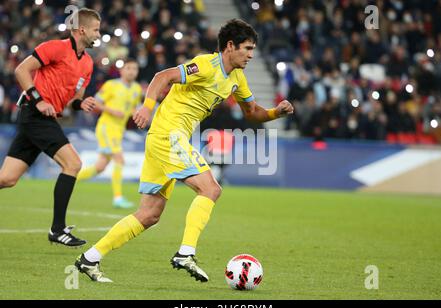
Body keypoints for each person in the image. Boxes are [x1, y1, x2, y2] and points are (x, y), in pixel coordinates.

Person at [75, 19, 293, 282]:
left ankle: (90, 258)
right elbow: (162, 76)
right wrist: (146, 107)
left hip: (165, 139)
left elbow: (253, 112)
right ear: (230, 46)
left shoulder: (237, 78)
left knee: (149, 214)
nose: (251, 54)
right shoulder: (205, 64)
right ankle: (185, 253)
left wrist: (275, 113)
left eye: (253, 49)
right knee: (211, 189)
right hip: (169, 134)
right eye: (247, 48)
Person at [0, 8, 101, 247]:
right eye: (96, 29)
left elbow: (73, 99)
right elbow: (21, 70)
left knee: (7, 178)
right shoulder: (55, 47)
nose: (99, 34)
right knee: (73, 164)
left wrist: (80, 103)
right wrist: (39, 99)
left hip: (44, 117)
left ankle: (57, 229)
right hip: (34, 113)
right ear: (82, 29)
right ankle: (57, 229)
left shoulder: (87, 63)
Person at [77, 59, 143, 209]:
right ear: (122, 70)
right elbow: (95, 102)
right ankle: (118, 198)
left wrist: (138, 115)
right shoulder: (111, 85)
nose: (132, 71)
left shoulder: (137, 89)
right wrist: (112, 110)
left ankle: (70, 179)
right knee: (119, 160)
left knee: (100, 167)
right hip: (107, 127)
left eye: (134, 68)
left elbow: (132, 108)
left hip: (119, 130)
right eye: (129, 68)